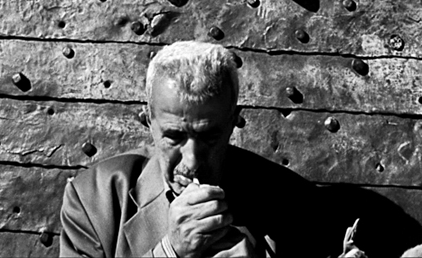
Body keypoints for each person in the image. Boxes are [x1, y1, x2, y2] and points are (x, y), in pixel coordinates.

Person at [59, 40, 332, 257]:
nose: (191, 161)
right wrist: (170, 252)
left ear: (233, 120)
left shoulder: (287, 202)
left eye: (209, 136)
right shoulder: (94, 200)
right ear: (148, 120)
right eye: (174, 136)